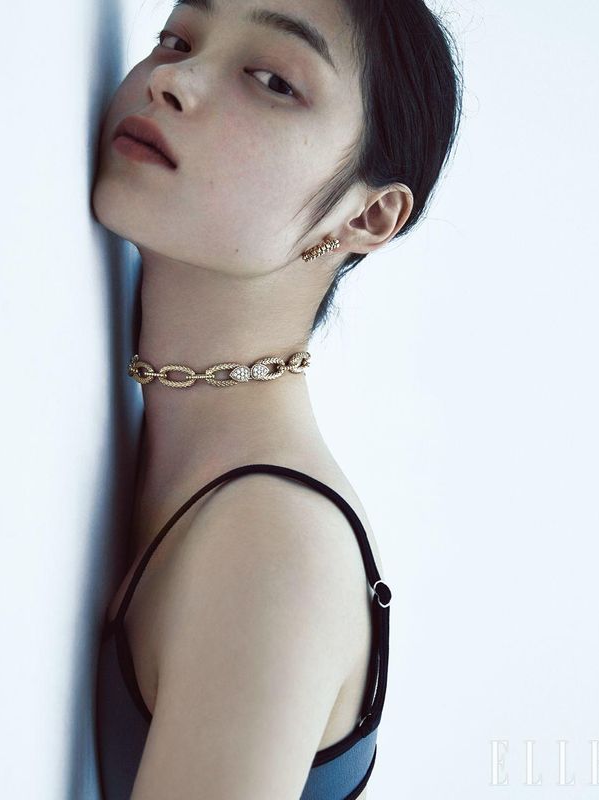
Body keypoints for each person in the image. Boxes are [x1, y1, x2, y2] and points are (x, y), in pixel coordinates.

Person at [90, 0, 463, 797]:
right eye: (176, 39)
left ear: (369, 215)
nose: (173, 81)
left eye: (271, 81)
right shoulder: (218, 479)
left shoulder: (274, 543)